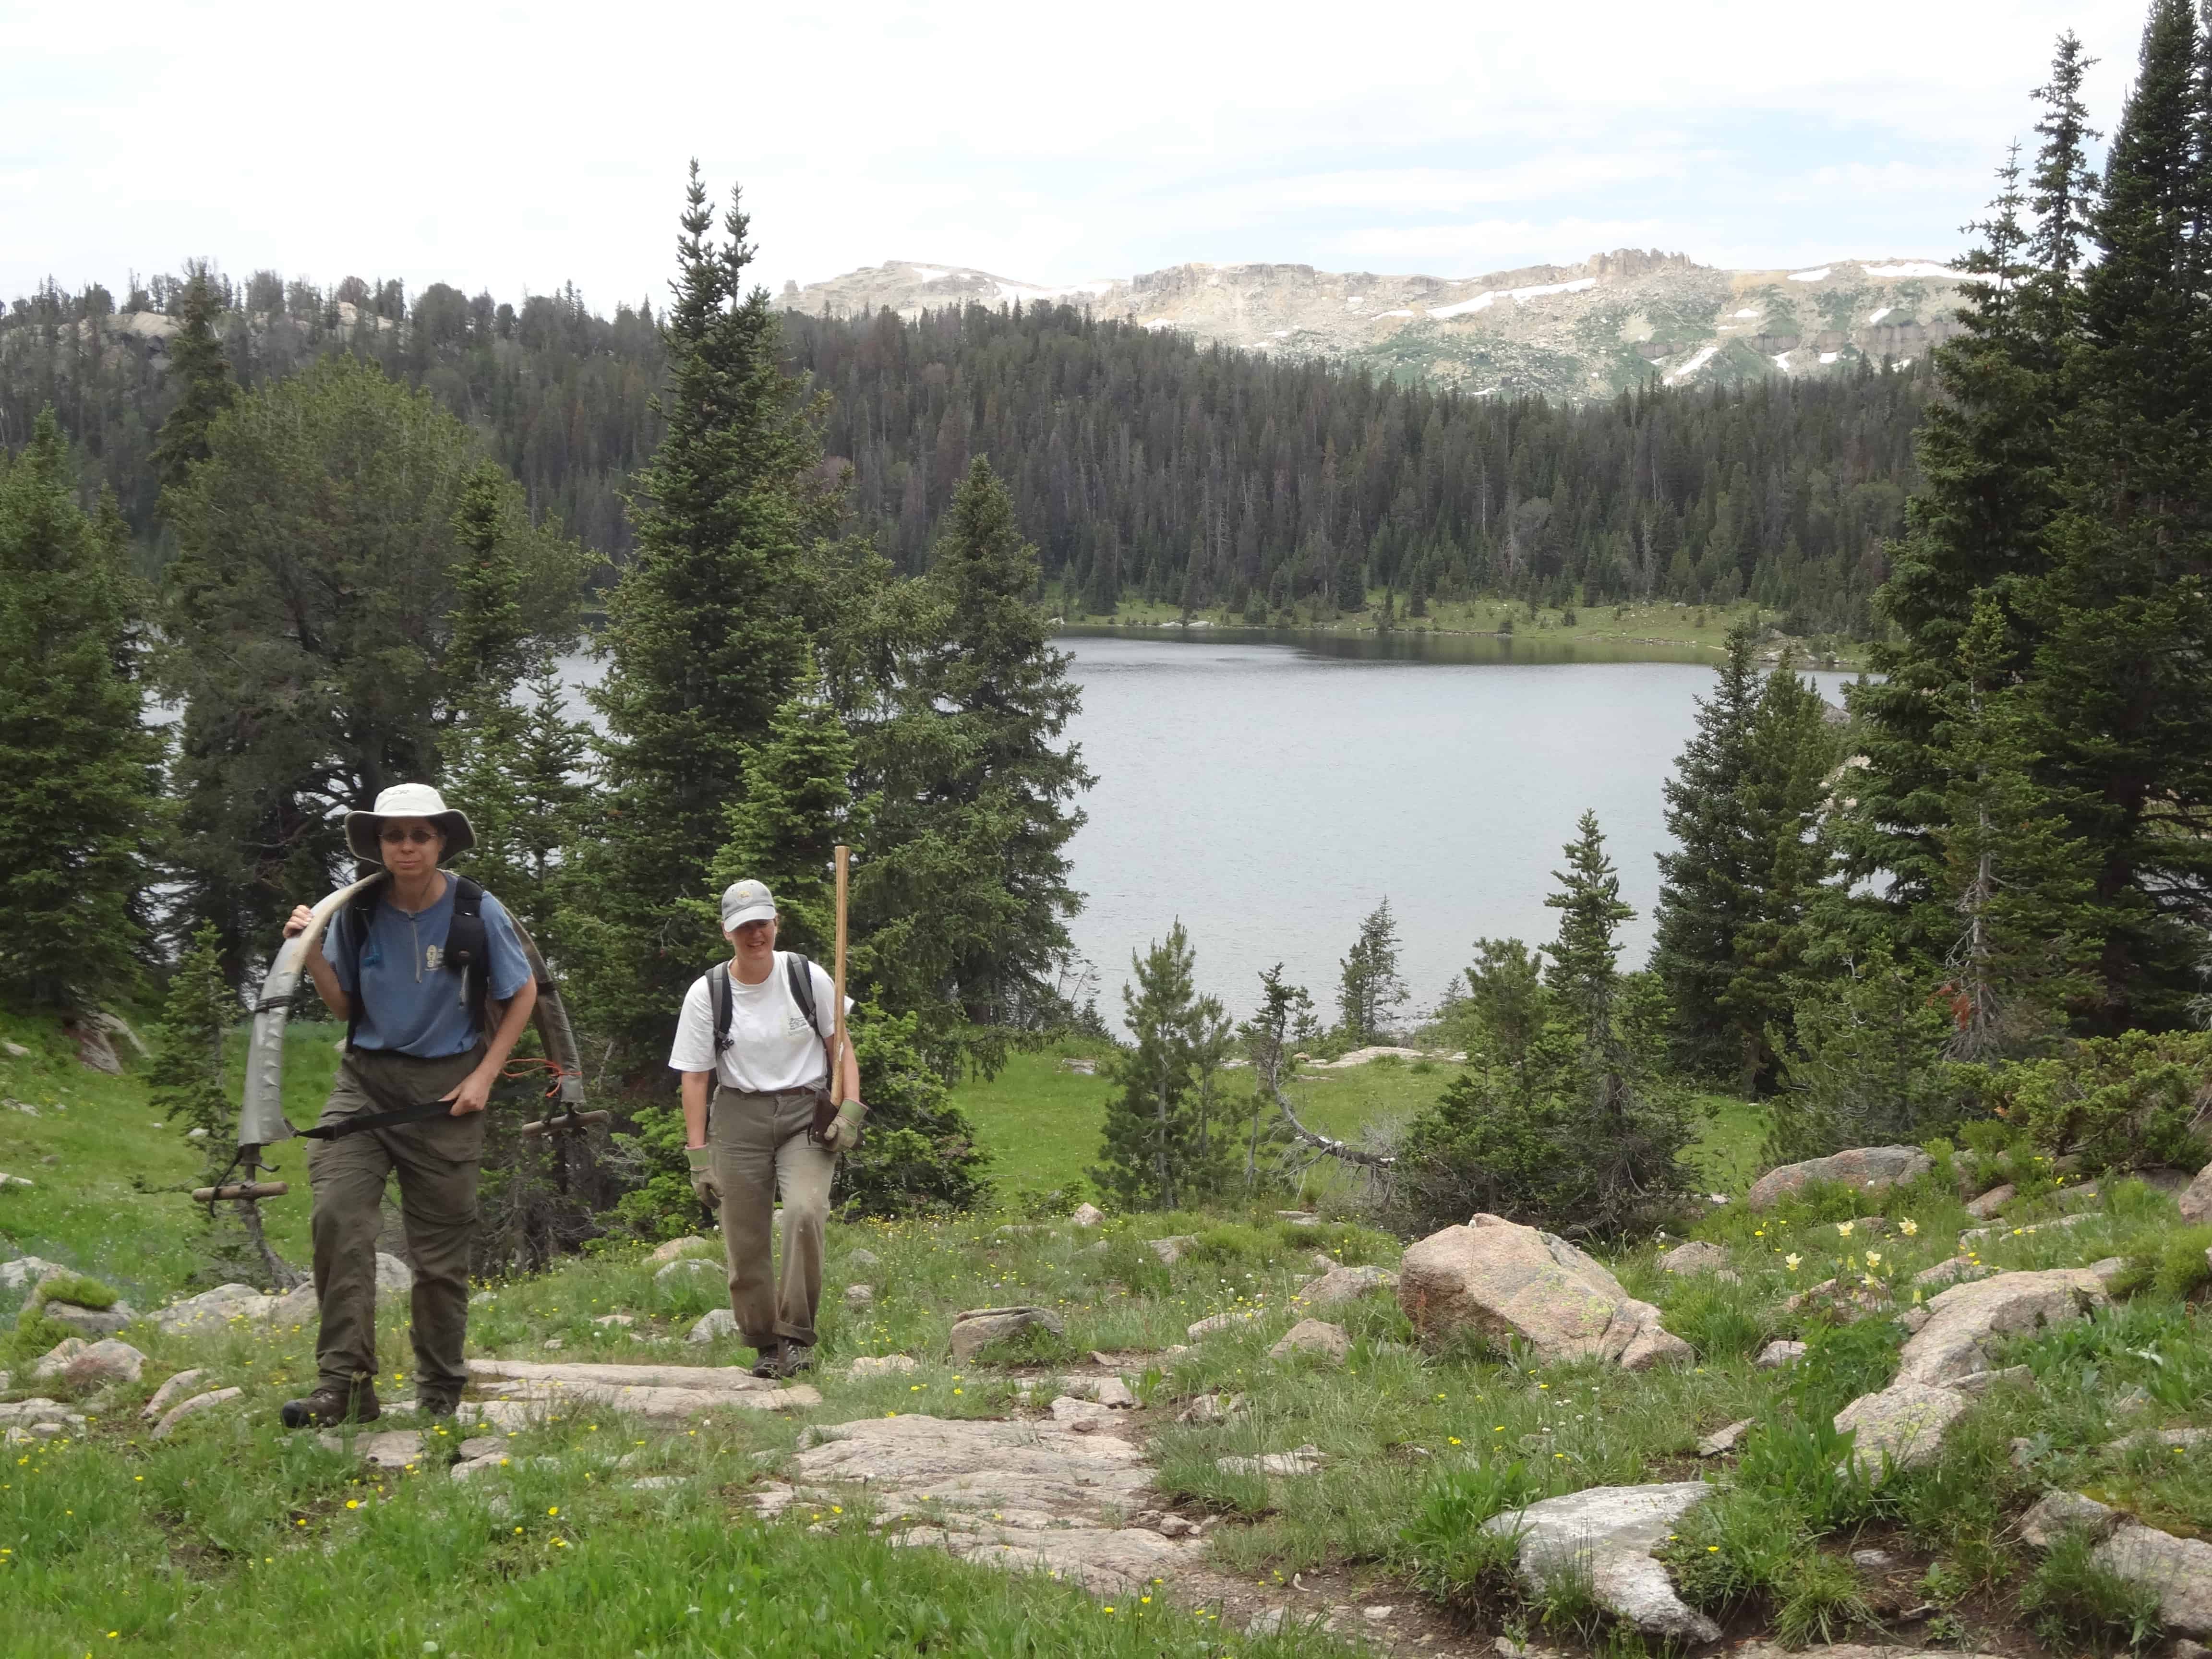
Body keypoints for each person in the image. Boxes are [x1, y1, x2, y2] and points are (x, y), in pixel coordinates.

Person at [277, 783, 537, 1428]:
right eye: (395, 836)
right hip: (364, 1084)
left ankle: (439, 1390)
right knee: (339, 1220)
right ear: (379, 846)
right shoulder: (359, 911)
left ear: (441, 841)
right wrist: (308, 952)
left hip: (448, 1094)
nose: (407, 847)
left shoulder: (477, 910)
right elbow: (347, 1005)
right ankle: (343, 1385)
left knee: (440, 1258)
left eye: (420, 834)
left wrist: (485, 1076)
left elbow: (523, 992)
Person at [668, 879, 863, 1379]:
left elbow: (839, 1046)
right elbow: (694, 1076)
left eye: (763, 923)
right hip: (738, 1117)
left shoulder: (806, 976)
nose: (755, 935)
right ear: (727, 932)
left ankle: (797, 1338)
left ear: (777, 923)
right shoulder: (708, 992)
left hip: (806, 1114)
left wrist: (851, 1112)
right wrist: (698, 1156)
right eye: (744, 927)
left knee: (804, 1211)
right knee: (744, 1236)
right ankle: (762, 1342)